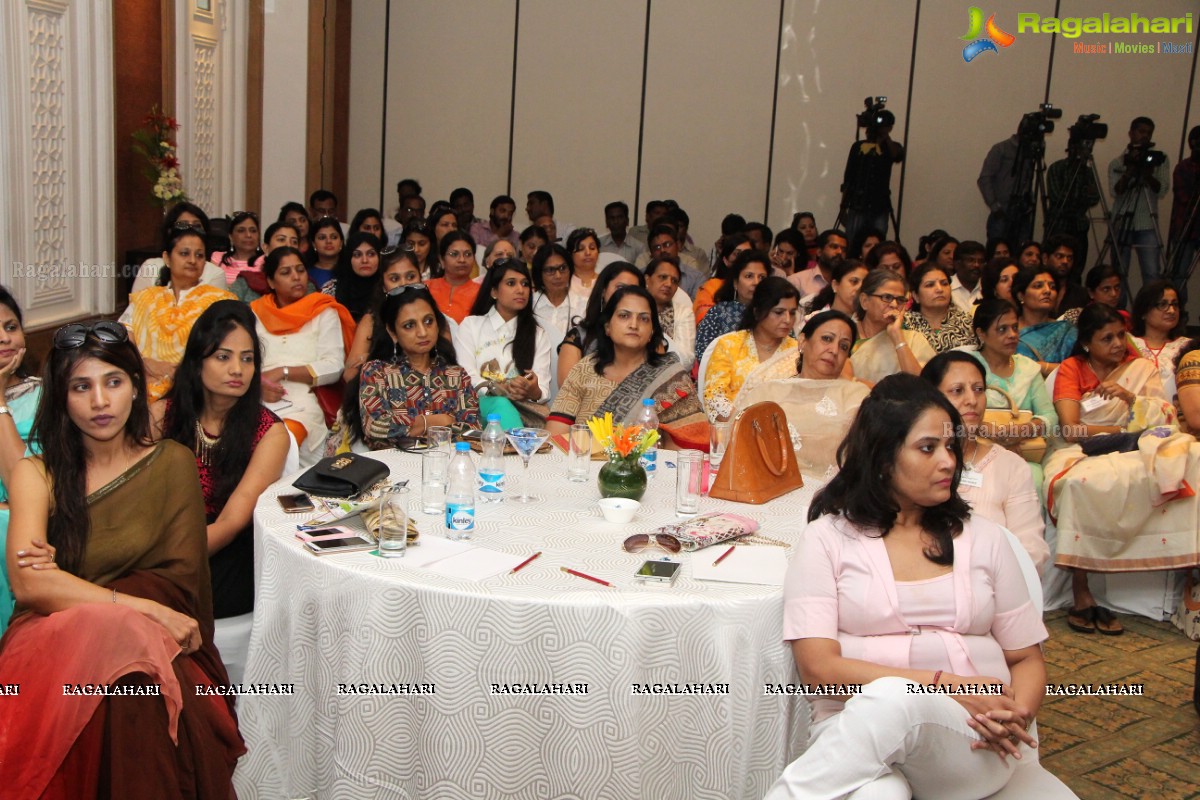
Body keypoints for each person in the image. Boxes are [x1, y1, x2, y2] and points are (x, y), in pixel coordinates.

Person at [765, 373, 1049, 800]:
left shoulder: (984, 538)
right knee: (878, 791)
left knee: (895, 698)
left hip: (972, 741)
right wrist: (940, 683)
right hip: (853, 728)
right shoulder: (826, 539)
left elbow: (1026, 657)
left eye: (951, 446)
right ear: (883, 458)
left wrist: (1016, 715)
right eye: (927, 448)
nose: (949, 461)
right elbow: (819, 671)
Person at [0, 320, 244, 796]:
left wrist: (68, 584)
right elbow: (30, 586)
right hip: (55, 647)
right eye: (81, 387)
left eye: (113, 382)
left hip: (161, 650)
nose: (99, 402)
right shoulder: (38, 474)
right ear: (61, 398)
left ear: (136, 388)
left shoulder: (172, 463)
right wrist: (141, 609)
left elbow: (184, 587)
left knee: (135, 677)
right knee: (122, 643)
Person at [156, 301, 287, 619]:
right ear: (197, 361)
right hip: (160, 542)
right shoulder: (161, 416)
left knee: (140, 595)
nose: (237, 370)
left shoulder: (269, 433)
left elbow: (230, 524)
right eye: (223, 357)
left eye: (247, 359)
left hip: (225, 555)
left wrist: (163, 560)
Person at [1050, 304, 1170, 635]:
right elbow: (1070, 429)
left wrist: (1131, 399)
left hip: (1135, 446)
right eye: (1107, 338)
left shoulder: (1141, 369)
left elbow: (1163, 419)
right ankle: (1081, 587)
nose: (1118, 344)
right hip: (1082, 450)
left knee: (1157, 475)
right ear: (1087, 343)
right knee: (1081, 483)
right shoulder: (1072, 369)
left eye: (1121, 335)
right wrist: (1114, 434)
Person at [922, 352, 1049, 573]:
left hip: (995, 588)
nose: (972, 400)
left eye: (979, 389)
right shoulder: (912, 463)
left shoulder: (1011, 466)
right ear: (931, 398)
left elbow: (1031, 550)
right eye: (957, 390)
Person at [547, 286, 705, 442]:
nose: (634, 325)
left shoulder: (670, 377)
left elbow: (688, 447)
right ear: (607, 327)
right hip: (583, 463)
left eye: (644, 318)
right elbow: (555, 435)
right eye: (624, 316)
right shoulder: (585, 368)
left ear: (651, 332)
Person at [250, 247, 355, 466]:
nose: (296, 276)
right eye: (286, 272)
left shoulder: (323, 311)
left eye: (300, 270)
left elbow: (334, 366)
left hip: (303, 401)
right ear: (270, 281)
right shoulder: (255, 313)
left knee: (281, 442)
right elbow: (243, 359)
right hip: (257, 396)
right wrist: (257, 384)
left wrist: (283, 372)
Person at [735, 310, 867, 474]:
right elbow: (736, 438)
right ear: (803, 342)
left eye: (843, 346)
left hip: (826, 491)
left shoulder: (855, 395)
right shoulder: (768, 391)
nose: (834, 350)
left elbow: (853, 449)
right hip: (765, 484)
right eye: (827, 339)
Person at [121, 225, 237, 402]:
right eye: (184, 253)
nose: (192, 260)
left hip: (194, 388)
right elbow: (123, 339)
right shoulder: (146, 298)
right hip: (143, 380)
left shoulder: (220, 301)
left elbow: (225, 350)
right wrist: (146, 365)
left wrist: (182, 373)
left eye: (199, 255)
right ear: (167, 258)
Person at [356, 284, 479, 449]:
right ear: (392, 332)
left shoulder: (455, 375)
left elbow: (472, 427)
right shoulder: (377, 372)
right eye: (409, 325)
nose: (422, 332)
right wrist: (433, 421)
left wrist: (408, 428)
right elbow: (375, 427)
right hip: (392, 467)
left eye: (428, 321)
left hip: (446, 463)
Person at [969, 299, 1057, 488]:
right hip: (974, 449)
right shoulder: (966, 365)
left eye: (1015, 328)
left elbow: (1050, 417)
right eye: (1002, 329)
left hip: (1022, 453)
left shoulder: (1028, 368)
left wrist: (1021, 431)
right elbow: (949, 411)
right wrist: (985, 429)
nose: (1012, 335)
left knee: (1031, 477)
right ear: (981, 333)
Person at [454, 259, 553, 424]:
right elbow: (466, 377)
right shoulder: (471, 325)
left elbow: (543, 391)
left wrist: (531, 390)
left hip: (523, 410)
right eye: (511, 283)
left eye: (525, 284)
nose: (520, 290)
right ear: (494, 291)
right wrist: (498, 389)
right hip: (478, 406)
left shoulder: (537, 334)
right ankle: (518, 446)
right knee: (500, 404)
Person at [703, 277, 800, 421]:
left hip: (785, 429)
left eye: (792, 313)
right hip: (735, 429)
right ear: (757, 312)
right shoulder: (729, 345)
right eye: (779, 312)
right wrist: (747, 422)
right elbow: (714, 397)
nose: (787, 320)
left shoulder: (797, 350)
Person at [0, 288, 39, 629]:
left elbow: (20, 486)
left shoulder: (45, 396)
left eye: (11, 327)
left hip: (27, 528)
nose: (4, 338)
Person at [342, 246, 424, 383]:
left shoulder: (434, 318)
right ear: (383, 285)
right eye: (394, 278)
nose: (404, 284)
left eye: (411, 276)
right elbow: (349, 373)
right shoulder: (371, 320)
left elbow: (447, 367)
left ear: (420, 278)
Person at [557, 261, 645, 387]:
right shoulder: (578, 337)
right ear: (603, 291)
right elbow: (567, 392)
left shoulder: (648, 337)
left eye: (634, 291)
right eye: (620, 288)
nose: (626, 296)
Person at [1108, 116, 1171, 284]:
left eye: (1149, 133)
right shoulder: (1118, 162)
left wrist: (1147, 174)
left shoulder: (1160, 159)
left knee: (1151, 273)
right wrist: (1130, 171)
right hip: (1122, 222)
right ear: (1131, 133)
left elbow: (1162, 189)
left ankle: (1151, 308)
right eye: (1141, 131)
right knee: (1118, 273)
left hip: (1147, 224)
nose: (1145, 136)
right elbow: (1116, 192)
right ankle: (1118, 308)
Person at [850, 268, 935, 385]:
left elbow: (923, 387)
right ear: (864, 301)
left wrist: (898, 338)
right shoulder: (846, 337)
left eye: (900, 300)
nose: (894, 305)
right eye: (887, 298)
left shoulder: (914, 340)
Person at [130, 202, 227, 294]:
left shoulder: (215, 274)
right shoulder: (151, 266)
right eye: (183, 225)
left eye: (197, 226)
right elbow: (136, 308)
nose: (191, 230)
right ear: (169, 231)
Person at [839, 108, 904, 245]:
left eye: (888, 124)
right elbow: (849, 177)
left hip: (880, 203)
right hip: (858, 202)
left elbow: (897, 156)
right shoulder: (859, 147)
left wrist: (885, 137)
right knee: (852, 241)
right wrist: (843, 207)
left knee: (878, 241)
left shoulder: (891, 147)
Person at [694, 249, 769, 366]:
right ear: (735, 283)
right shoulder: (719, 312)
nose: (756, 282)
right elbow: (702, 353)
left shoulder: (775, 313)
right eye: (749, 276)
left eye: (762, 277)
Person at [1046, 139, 1101, 274]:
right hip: (1059, 224)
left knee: (1077, 266)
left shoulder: (1088, 172)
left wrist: (1081, 199)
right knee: (1054, 265)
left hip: (1079, 226)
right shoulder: (1057, 168)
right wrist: (1082, 196)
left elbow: (1094, 198)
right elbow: (1057, 198)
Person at [1128, 280, 1188, 401]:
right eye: (1162, 304)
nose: (1171, 311)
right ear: (1143, 312)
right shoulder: (1126, 344)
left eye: (1175, 304)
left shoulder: (1188, 347)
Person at [1011, 267, 1077, 374]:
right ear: (1021, 295)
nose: (1047, 291)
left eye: (1053, 287)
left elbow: (1079, 371)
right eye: (1038, 286)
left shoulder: (1067, 331)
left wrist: (1044, 367)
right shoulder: (1007, 332)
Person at [903, 262, 975, 353]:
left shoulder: (967, 323)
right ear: (916, 295)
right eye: (930, 285)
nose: (940, 289)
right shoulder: (904, 324)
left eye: (944, 283)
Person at [228, 221, 304, 303]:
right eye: (281, 239)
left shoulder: (304, 283)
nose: (288, 245)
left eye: (294, 242)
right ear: (266, 248)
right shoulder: (244, 282)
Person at [1167, 125, 1200, 303]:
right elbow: (1183, 197)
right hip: (1185, 227)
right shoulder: (1183, 168)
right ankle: (1179, 310)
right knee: (1179, 273)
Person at [645, 256, 696, 368]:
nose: (669, 284)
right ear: (647, 279)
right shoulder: (633, 310)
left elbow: (686, 361)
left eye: (674, 281)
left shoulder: (683, 313)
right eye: (663, 277)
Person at [322, 231, 383, 321]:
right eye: (357, 255)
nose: (365, 260)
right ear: (348, 258)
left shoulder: (389, 288)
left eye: (371, 254)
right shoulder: (331, 290)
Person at [979, 130, 1026, 244]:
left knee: (1022, 248)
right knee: (998, 248)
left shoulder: (1031, 152)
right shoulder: (1001, 149)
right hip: (1003, 210)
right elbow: (985, 178)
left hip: (1023, 210)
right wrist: (994, 206)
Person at [694, 233, 752, 325]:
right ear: (726, 260)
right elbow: (705, 324)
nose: (743, 259)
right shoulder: (711, 287)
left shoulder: (760, 286)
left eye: (748, 254)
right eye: (737, 254)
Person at [426, 230, 481, 323]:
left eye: (468, 254)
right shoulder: (426, 288)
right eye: (454, 254)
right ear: (442, 260)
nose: (462, 260)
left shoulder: (481, 293)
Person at [531, 243, 577, 341]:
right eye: (550, 270)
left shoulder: (583, 305)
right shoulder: (529, 304)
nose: (558, 276)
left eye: (563, 268)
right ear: (539, 273)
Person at [1057, 262, 1125, 325]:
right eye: (1106, 289)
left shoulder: (1125, 318)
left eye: (1117, 288)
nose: (1114, 294)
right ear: (1091, 293)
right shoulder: (1075, 317)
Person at [803, 258, 868, 320]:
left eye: (864, 284)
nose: (859, 288)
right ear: (835, 285)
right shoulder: (814, 319)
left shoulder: (866, 323)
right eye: (854, 281)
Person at [1042, 233, 1089, 317]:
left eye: (1069, 258)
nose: (1065, 261)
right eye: (1059, 256)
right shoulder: (1035, 287)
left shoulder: (1080, 294)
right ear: (1045, 258)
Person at [790, 230, 848, 298]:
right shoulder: (797, 281)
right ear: (819, 252)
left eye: (844, 249)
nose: (840, 252)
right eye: (834, 247)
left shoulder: (848, 283)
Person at [210, 210, 261, 285]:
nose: (248, 235)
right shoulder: (217, 258)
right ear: (231, 237)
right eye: (241, 230)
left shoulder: (266, 261)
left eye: (253, 231)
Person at [567, 226, 605, 303]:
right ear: (570, 255)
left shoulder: (605, 282)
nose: (588, 253)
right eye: (581, 249)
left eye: (592, 248)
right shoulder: (564, 283)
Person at [305, 216, 345, 289]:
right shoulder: (305, 273)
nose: (328, 241)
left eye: (334, 237)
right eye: (322, 238)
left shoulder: (351, 270)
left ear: (341, 242)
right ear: (313, 244)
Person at [949, 240, 986, 313]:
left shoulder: (988, 287)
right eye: (971, 260)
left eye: (980, 261)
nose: (977, 265)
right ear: (957, 264)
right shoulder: (946, 286)